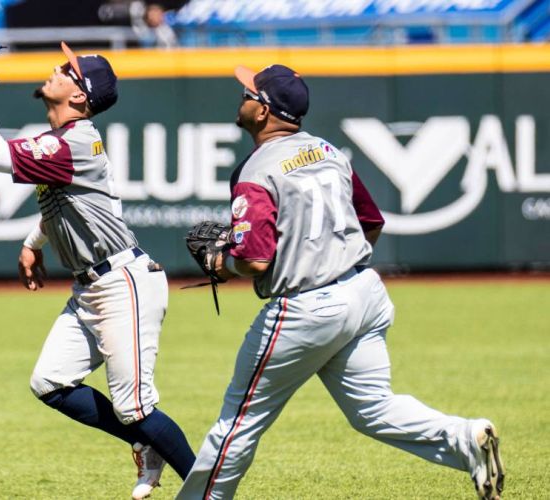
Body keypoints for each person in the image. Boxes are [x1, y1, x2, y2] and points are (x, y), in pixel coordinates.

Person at [176, 64, 505, 499]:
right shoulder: (329, 152)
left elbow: (254, 261)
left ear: (265, 111)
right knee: (373, 409)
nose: (242, 96)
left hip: (307, 307)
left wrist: (222, 263)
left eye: (249, 93)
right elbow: (370, 222)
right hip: (364, 293)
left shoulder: (255, 171)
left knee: (238, 421)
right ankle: (465, 439)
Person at [0, 40, 195, 499]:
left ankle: (209, 488)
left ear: (80, 96)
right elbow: (65, 208)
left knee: (135, 407)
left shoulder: (75, 140)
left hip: (123, 283)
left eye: (67, 68)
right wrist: (32, 243)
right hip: (91, 287)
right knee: (50, 383)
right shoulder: (67, 143)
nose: (57, 68)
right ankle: (148, 445)